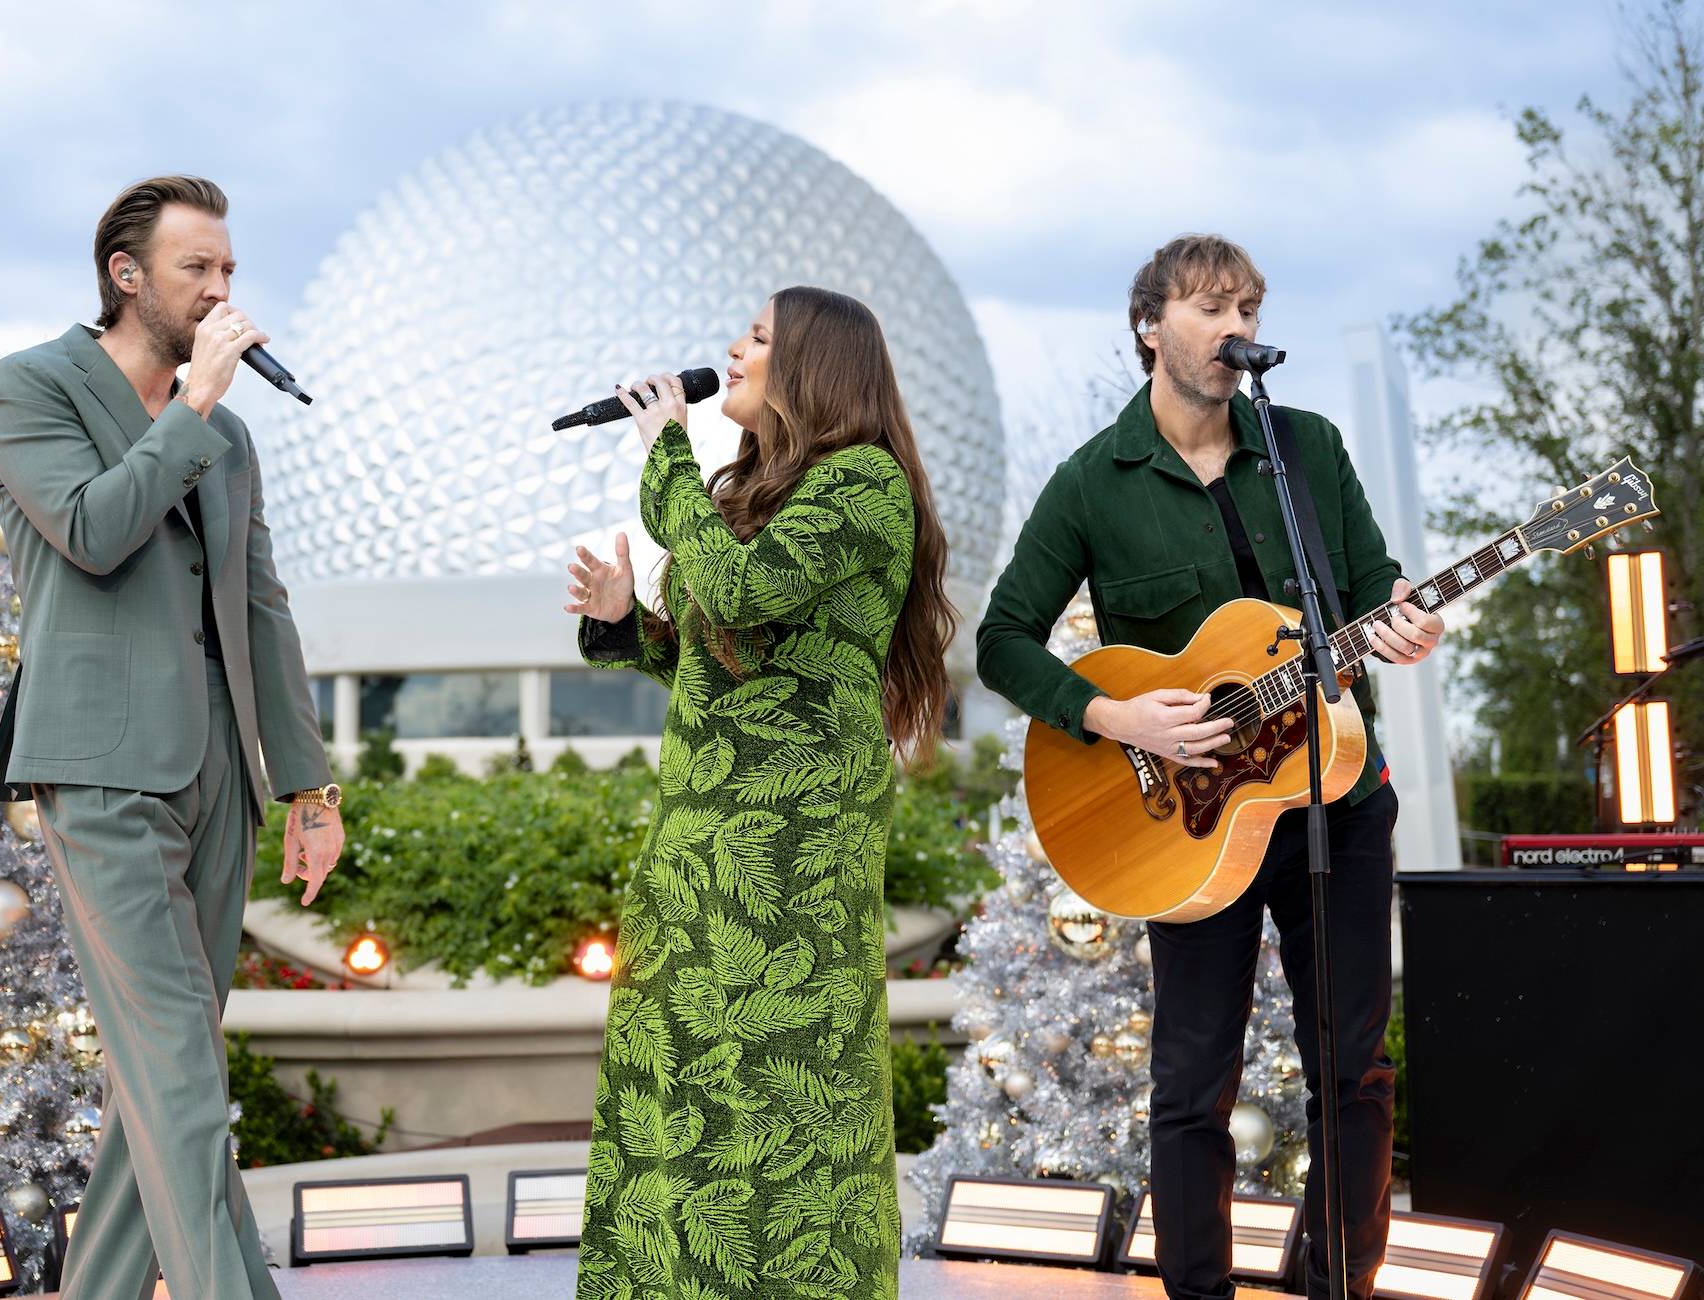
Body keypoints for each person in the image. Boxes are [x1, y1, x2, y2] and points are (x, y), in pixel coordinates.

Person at [976, 235, 1445, 1300]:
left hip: (1336, 798)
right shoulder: (1095, 481)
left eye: (1250, 306)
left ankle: (1342, 1288)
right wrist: (1114, 714)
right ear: (1150, 326)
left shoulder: (1307, 449)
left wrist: (1405, 618)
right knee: (1192, 1084)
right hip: (1183, 822)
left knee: (1355, 1073)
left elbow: (1374, 586)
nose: (1236, 326)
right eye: (1210, 307)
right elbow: (1001, 639)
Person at [0, 175, 344, 1300]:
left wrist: (308, 788)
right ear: (126, 276)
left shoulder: (227, 435)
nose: (222, 288)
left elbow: (262, 606)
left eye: (229, 270)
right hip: (99, 769)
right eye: (199, 269)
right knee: (183, 1074)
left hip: (219, 778)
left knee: (159, 1086)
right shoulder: (30, 386)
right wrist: (190, 412)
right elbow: (93, 531)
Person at [563, 286, 957, 1300]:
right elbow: (733, 663)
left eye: (759, 336)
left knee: (785, 1090)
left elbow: (738, 591)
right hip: (700, 847)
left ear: (817, 366)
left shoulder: (863, 485)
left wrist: (665, 447)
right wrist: (626, 623)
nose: (732, 350)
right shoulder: (760, 489)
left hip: (793, 854)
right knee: (682, 1092)